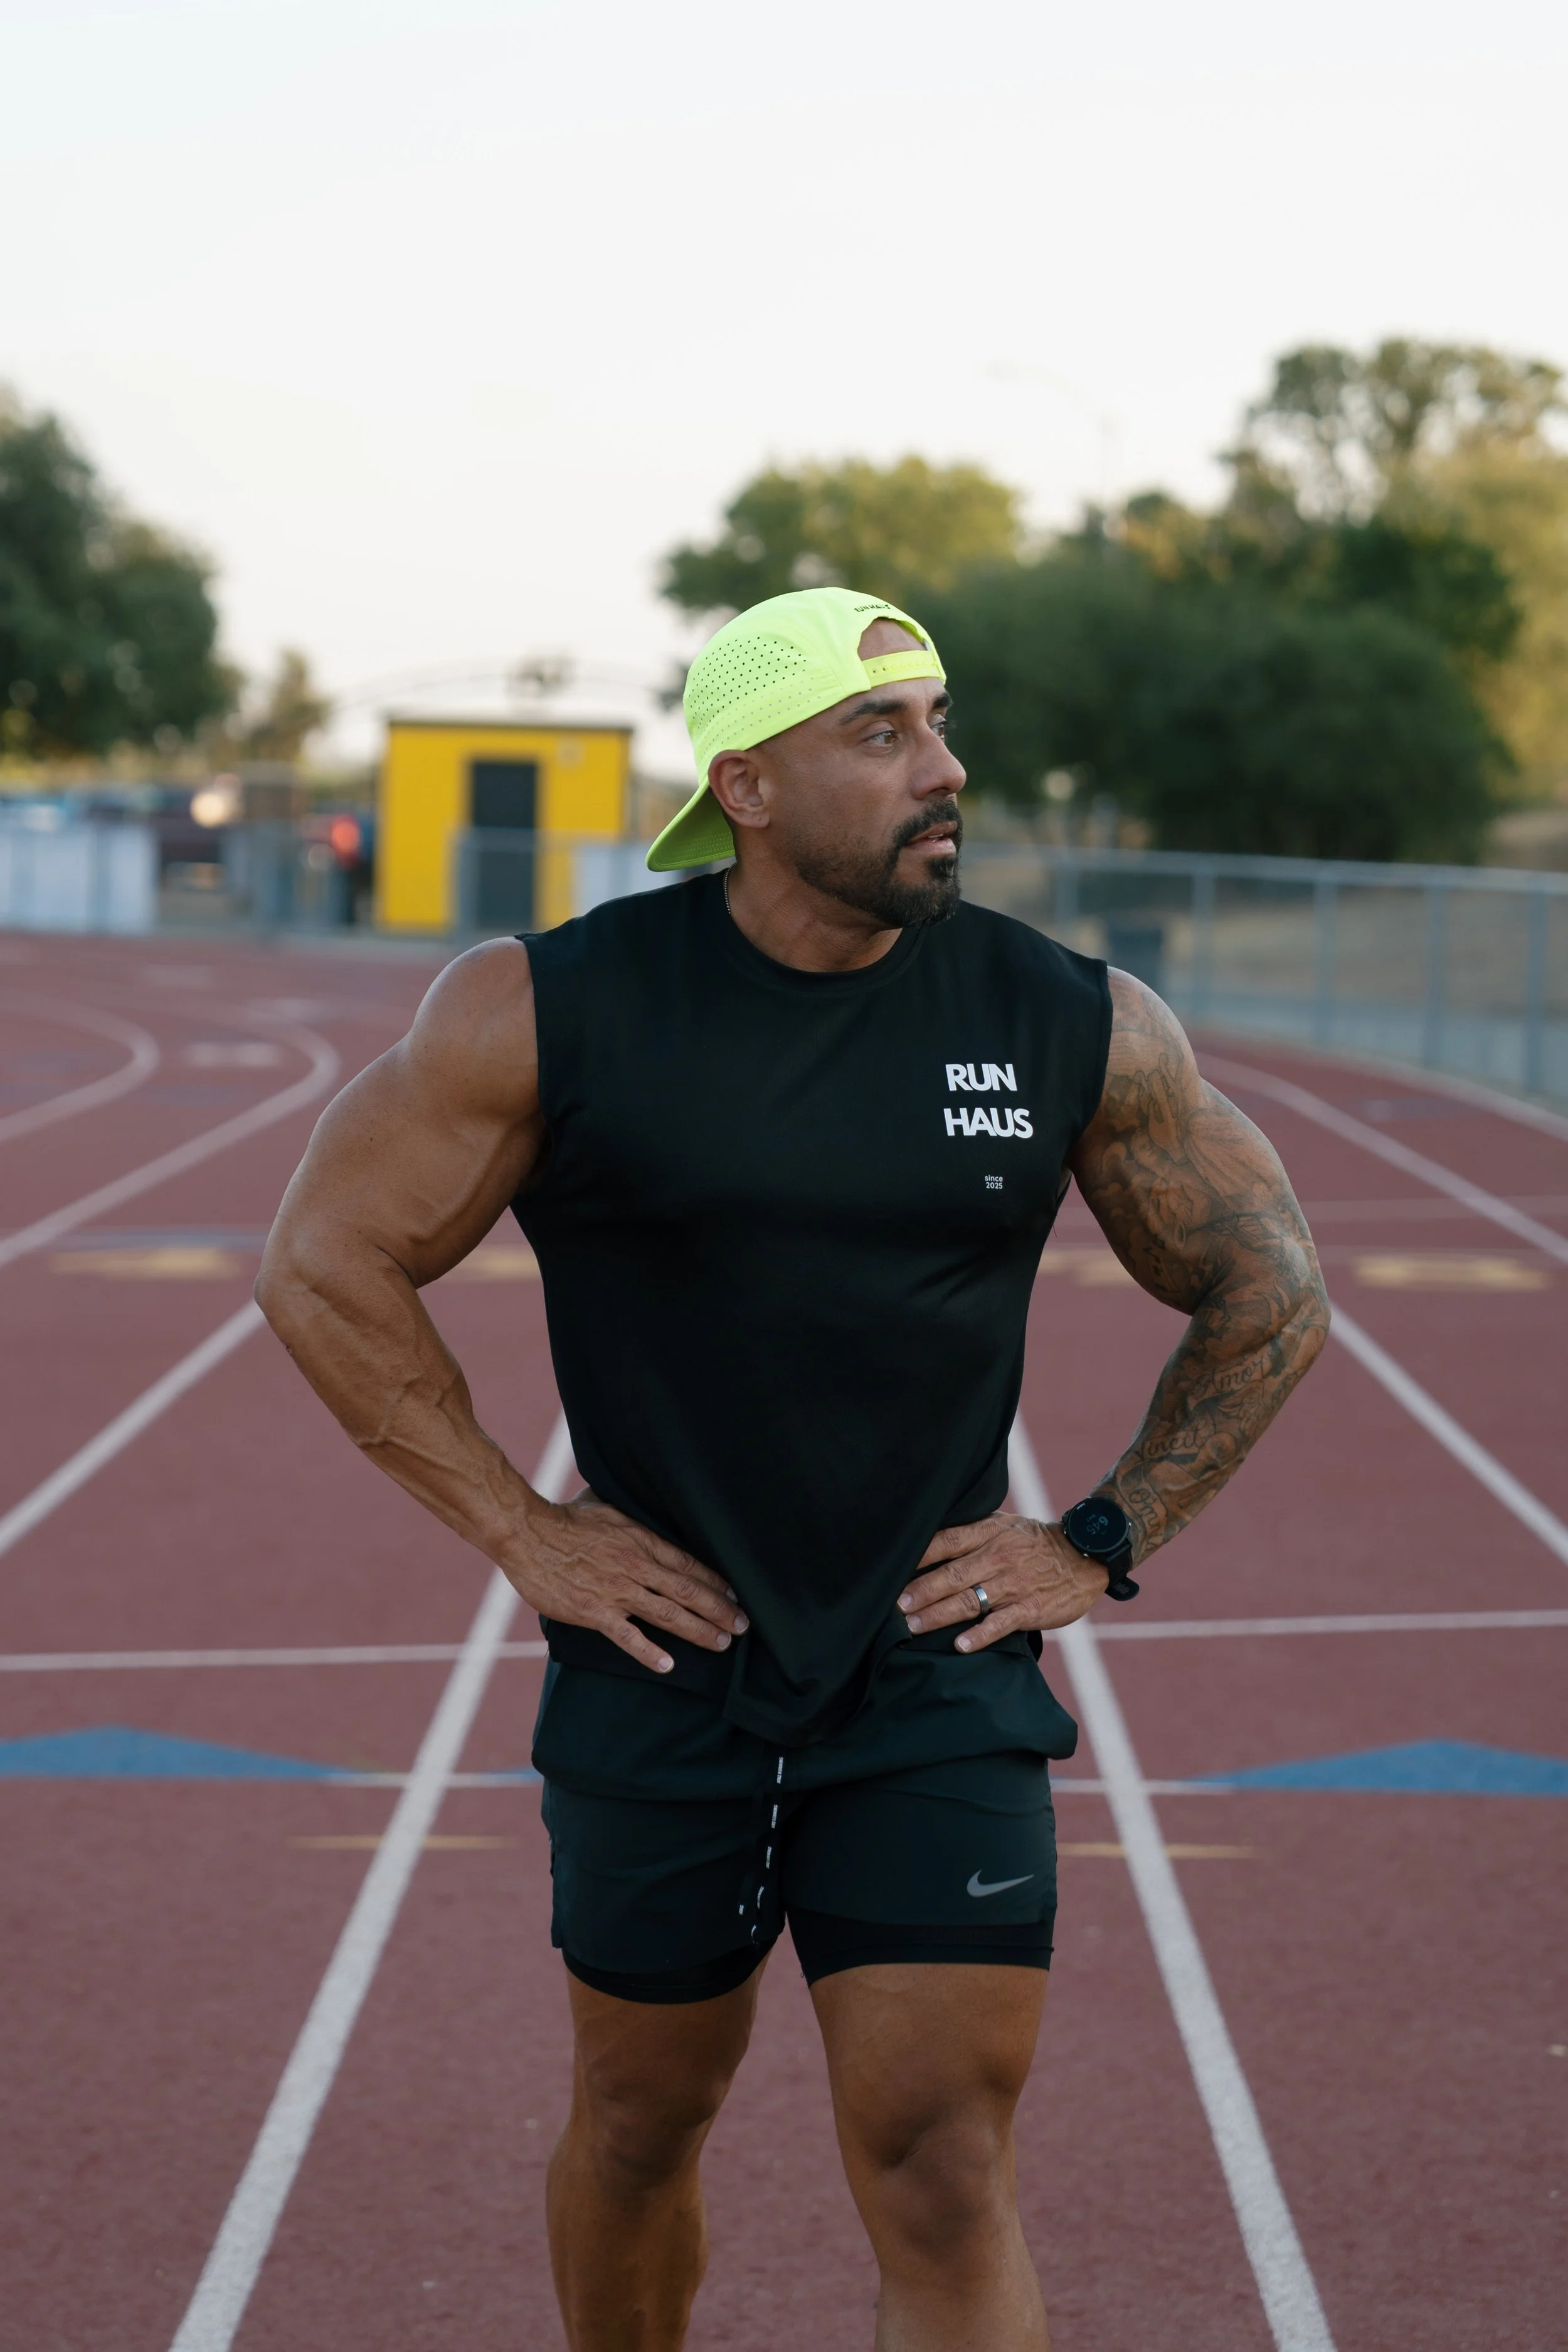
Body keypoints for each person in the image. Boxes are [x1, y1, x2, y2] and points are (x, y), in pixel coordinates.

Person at [257, 585, 1328, 2351]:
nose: (944, 766)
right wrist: (527, 1533)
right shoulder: (555, 1006)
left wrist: (1099, 1533)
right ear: (744, 784)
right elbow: (323, 1258)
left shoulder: (1070, 1018)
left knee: (941, 2158)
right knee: (636, 2122)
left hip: (931, 1670)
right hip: (661, 1661)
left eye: (937, 722)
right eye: (880, 730)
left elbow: (1268, 1289)